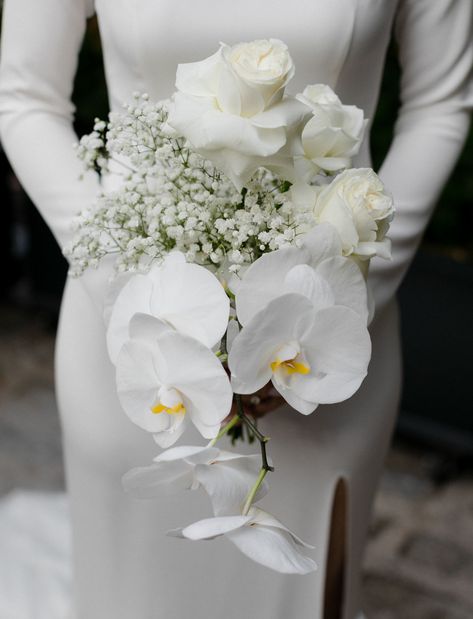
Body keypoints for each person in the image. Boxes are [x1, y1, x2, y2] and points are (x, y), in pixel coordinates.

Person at [0, 2, 471, 618]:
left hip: (318, 351)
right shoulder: (132, 315)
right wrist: (137, 304)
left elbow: (441, 102)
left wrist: (343, 303)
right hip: (136, 346)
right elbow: (25, 96)